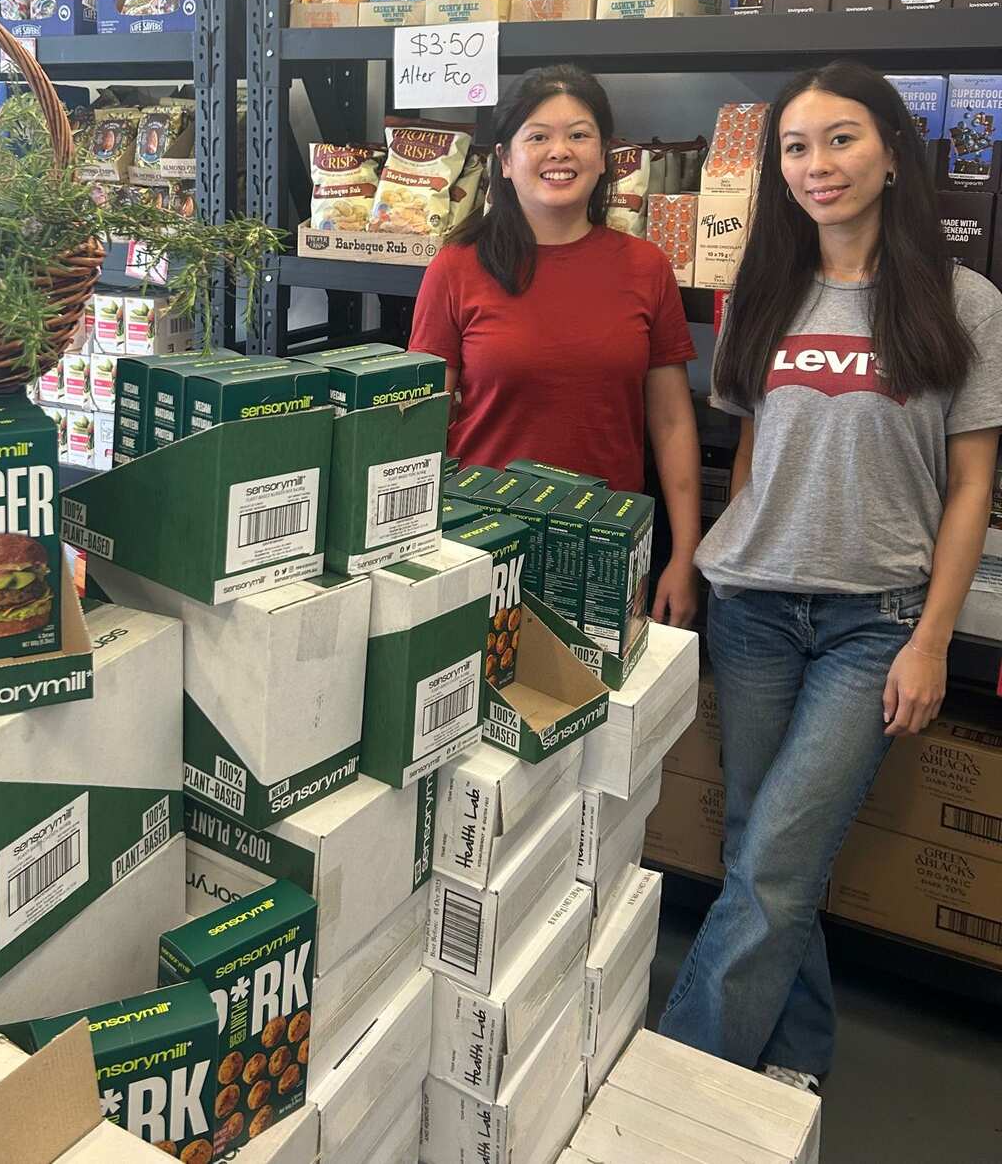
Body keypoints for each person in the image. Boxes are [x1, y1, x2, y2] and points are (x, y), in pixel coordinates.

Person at [659, 61, 1002, 1091]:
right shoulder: (760, 290)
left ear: (892, 153)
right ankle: (792, 1064)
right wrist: (736, 549)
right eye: (796, 148)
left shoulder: (962, 302)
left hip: (873, 623)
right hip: (752, 605)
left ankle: (674, 1090)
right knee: (762, 848)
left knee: (772, 861)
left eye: (841, 138)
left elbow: (968, 490)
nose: (818, 165)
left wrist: (928, 639)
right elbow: (757, 449)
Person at [409, 64, 701, 626]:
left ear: (605, 154)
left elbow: (671, 423)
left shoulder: (645, 267)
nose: (559, 151)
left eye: (579, 134)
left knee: (603, 708)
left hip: (606, 544)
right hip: (478, 541)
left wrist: (685, 556)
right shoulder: (456, 267)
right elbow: (423, 422)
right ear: (506, 159)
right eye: (538, 136)